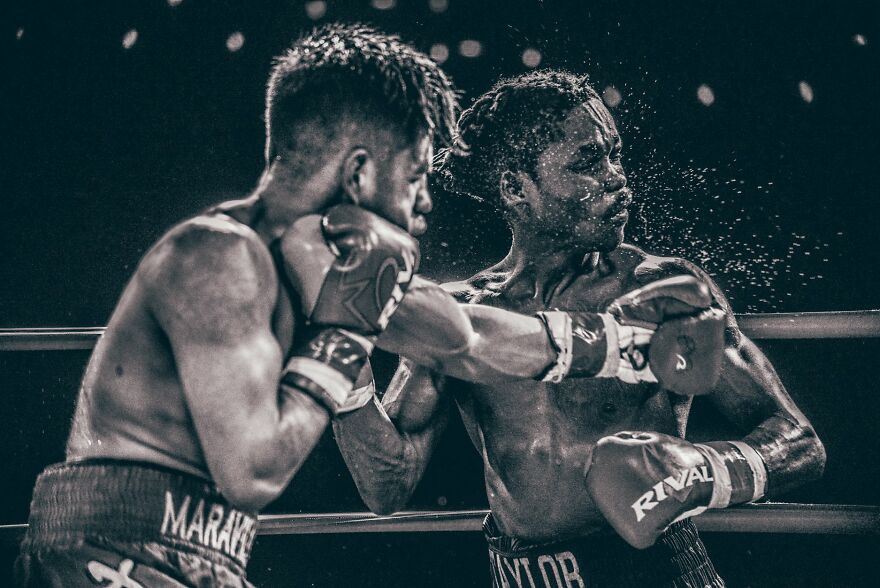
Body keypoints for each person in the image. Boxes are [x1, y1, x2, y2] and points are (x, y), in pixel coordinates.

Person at [14, 27, 723, 587]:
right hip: (115, 543)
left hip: (206, 550)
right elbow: (253, 470)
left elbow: (469, 337)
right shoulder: (220, 255)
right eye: (414, 176)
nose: (424, 203)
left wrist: (630, 347)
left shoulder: (329, 265)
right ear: (357, 172)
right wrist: (341, 347)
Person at [333, 70, 827, 587]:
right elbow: (387, 484)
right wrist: (343, 362)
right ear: (516, 189)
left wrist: (706, 471)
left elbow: (799, 441)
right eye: (588, 162)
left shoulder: (660, 288)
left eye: (614, 154)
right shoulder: (461, 311)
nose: (616, 177)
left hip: (652, 574)